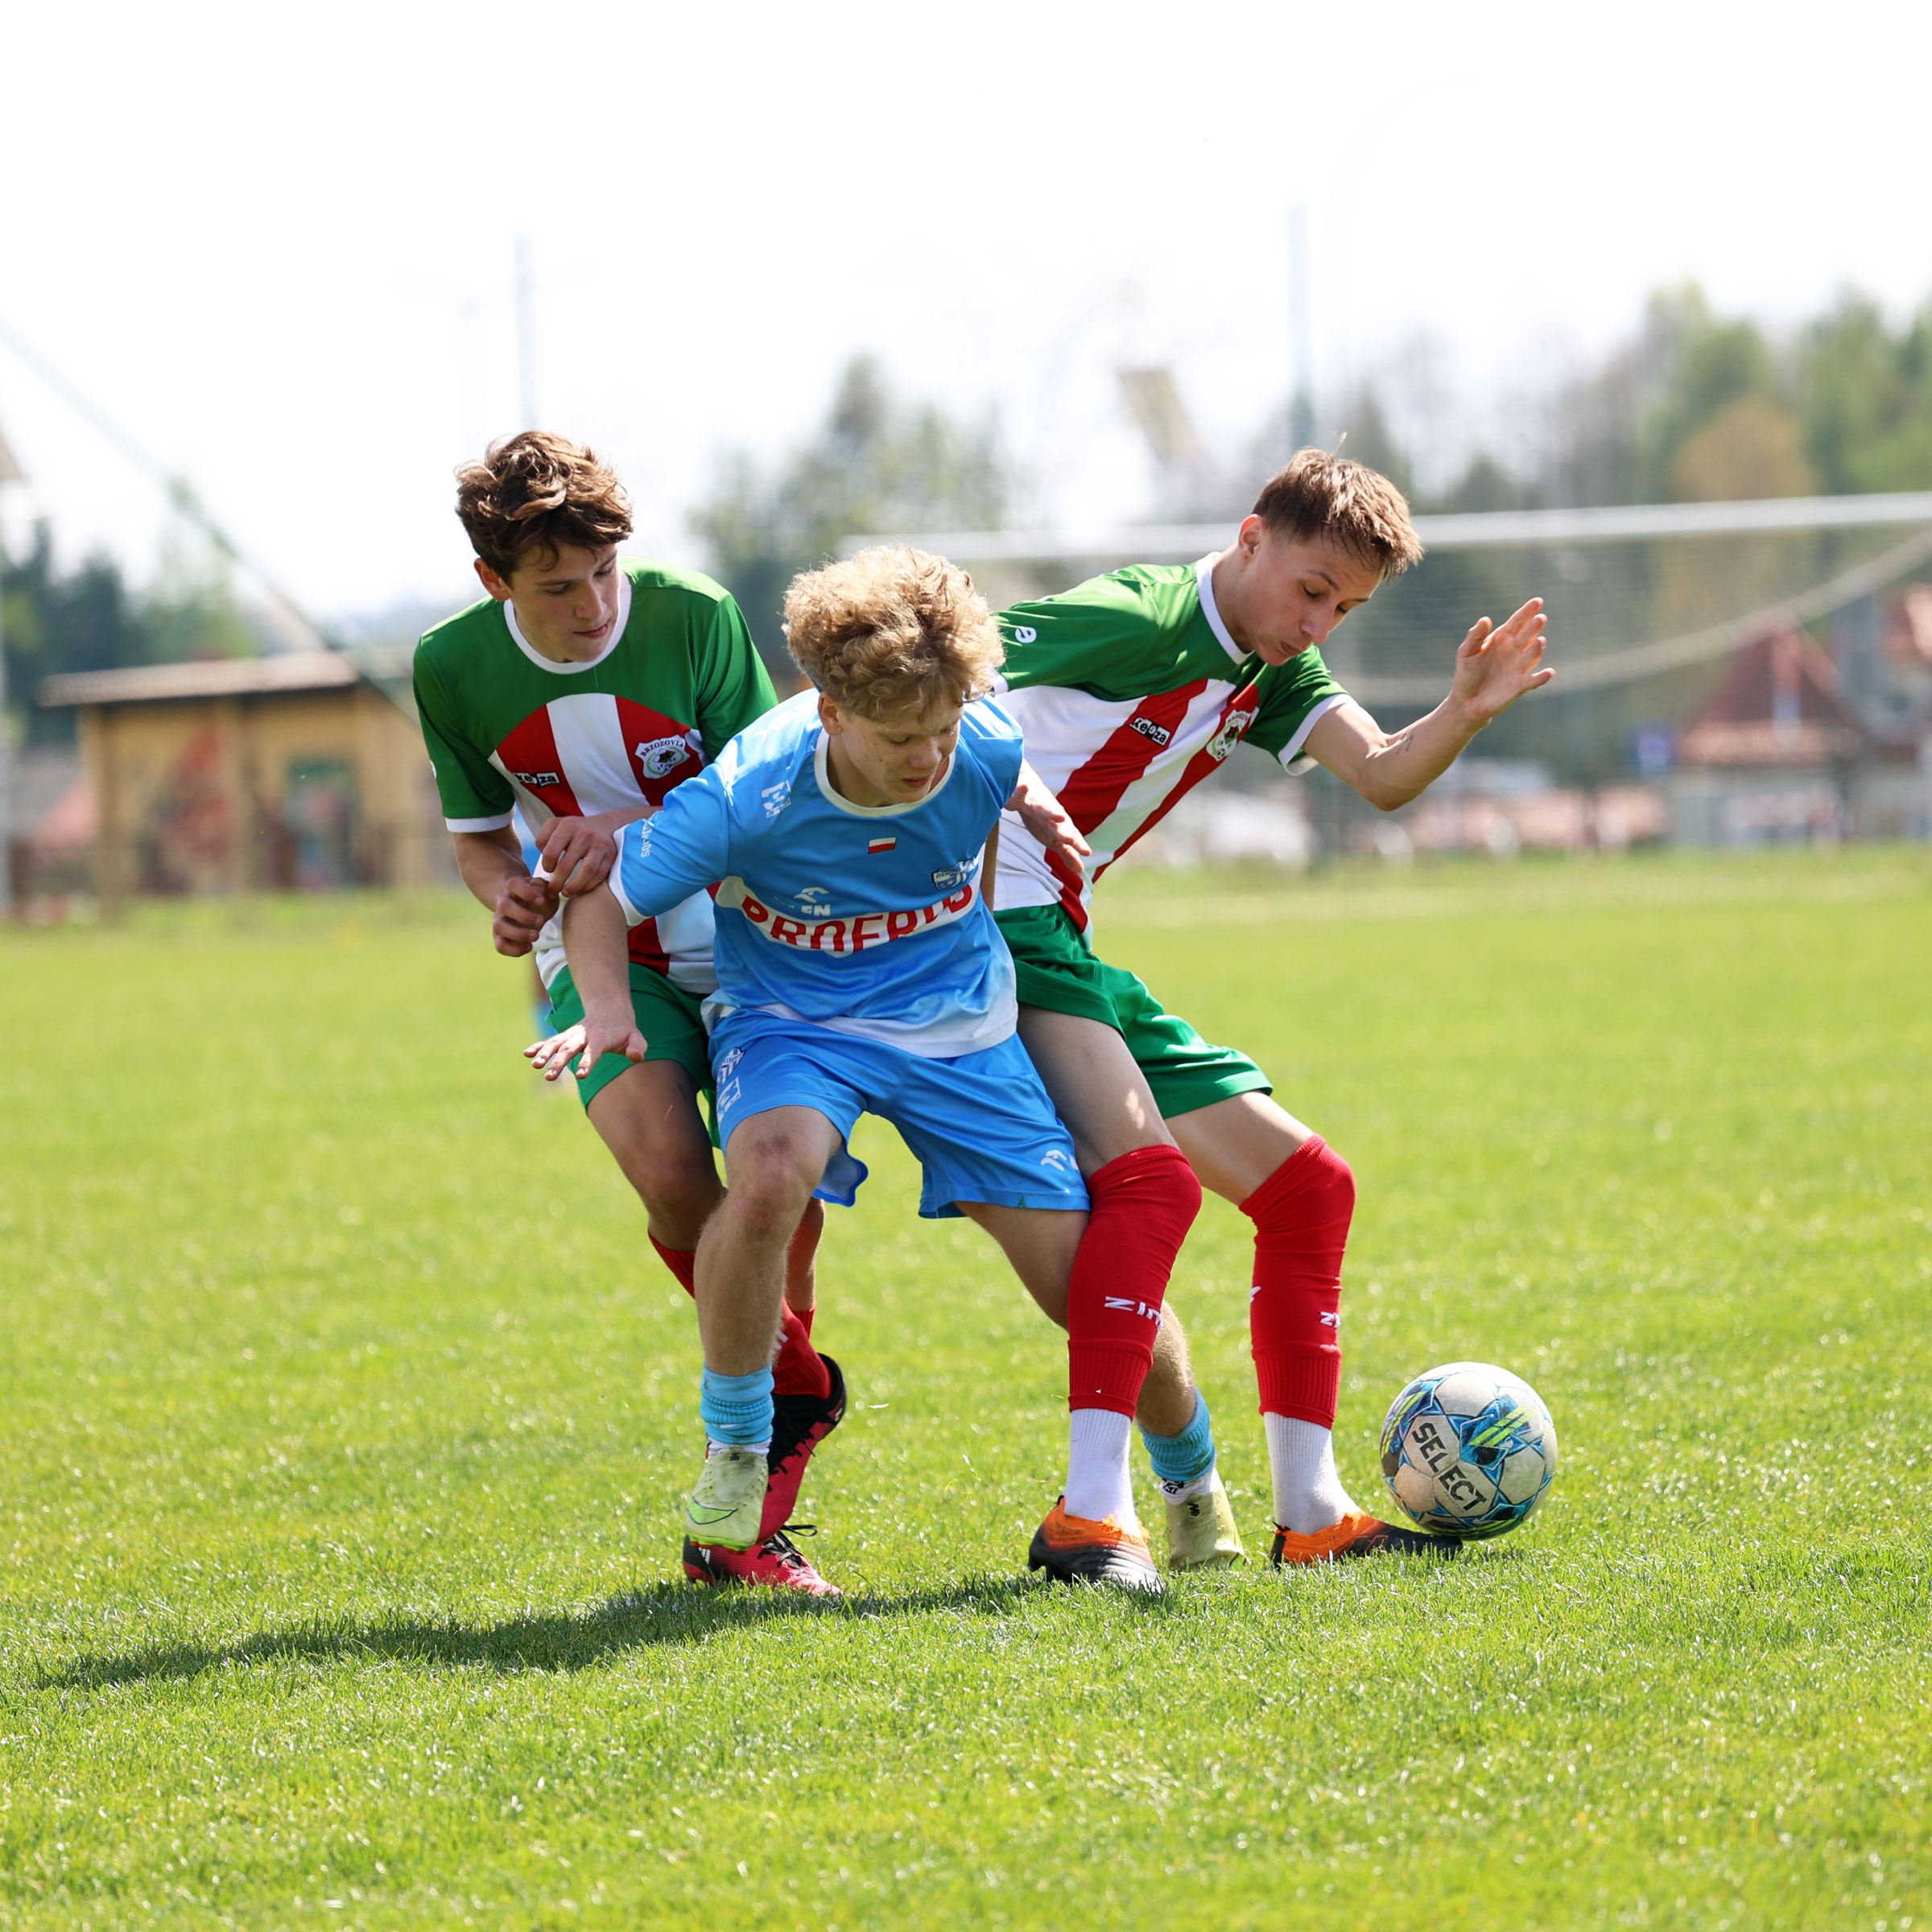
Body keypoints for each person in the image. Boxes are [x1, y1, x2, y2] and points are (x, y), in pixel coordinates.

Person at [533, 545, 1205, 1593]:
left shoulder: (978, 740)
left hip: (958, 1025)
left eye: (943, 730)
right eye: (900, 738)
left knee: (1085, 1288)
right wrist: (609, 1010)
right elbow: (601, 899)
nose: (928, 758)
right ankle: (738, 1445)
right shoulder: (748, 793)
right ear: (831, 712)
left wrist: (1023, 808)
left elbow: (991, 779)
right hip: (793, 1022)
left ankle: (1192, 1483)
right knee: (768, 1174)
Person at [988, 448, 1554, 1567]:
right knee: (1151, 1187)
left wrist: (1462, 712)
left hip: (1057, 939)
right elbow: (936, 670)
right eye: (1312, 590)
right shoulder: (1142, 616)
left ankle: (1313, 1513)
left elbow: (1382, 773)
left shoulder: (1274, 672)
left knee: (1308, 1190)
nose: (1319, 624)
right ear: (1251, 538)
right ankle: (1091, 1514)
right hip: (983, 927)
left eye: (1345, 608)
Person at [414, 431, 844, 1595]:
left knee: (782, 1209)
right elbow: (477, 838)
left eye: (606, 572)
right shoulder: (450, 666)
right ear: (494, 581)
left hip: (750, 939)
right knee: (668, 1173)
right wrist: (508, 893)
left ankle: (747, 1523)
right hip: (602, 955)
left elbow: (766, 789)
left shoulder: (695, 617)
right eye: (558, 586)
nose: (595, 605)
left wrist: (618, 835)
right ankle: (792, 1388)